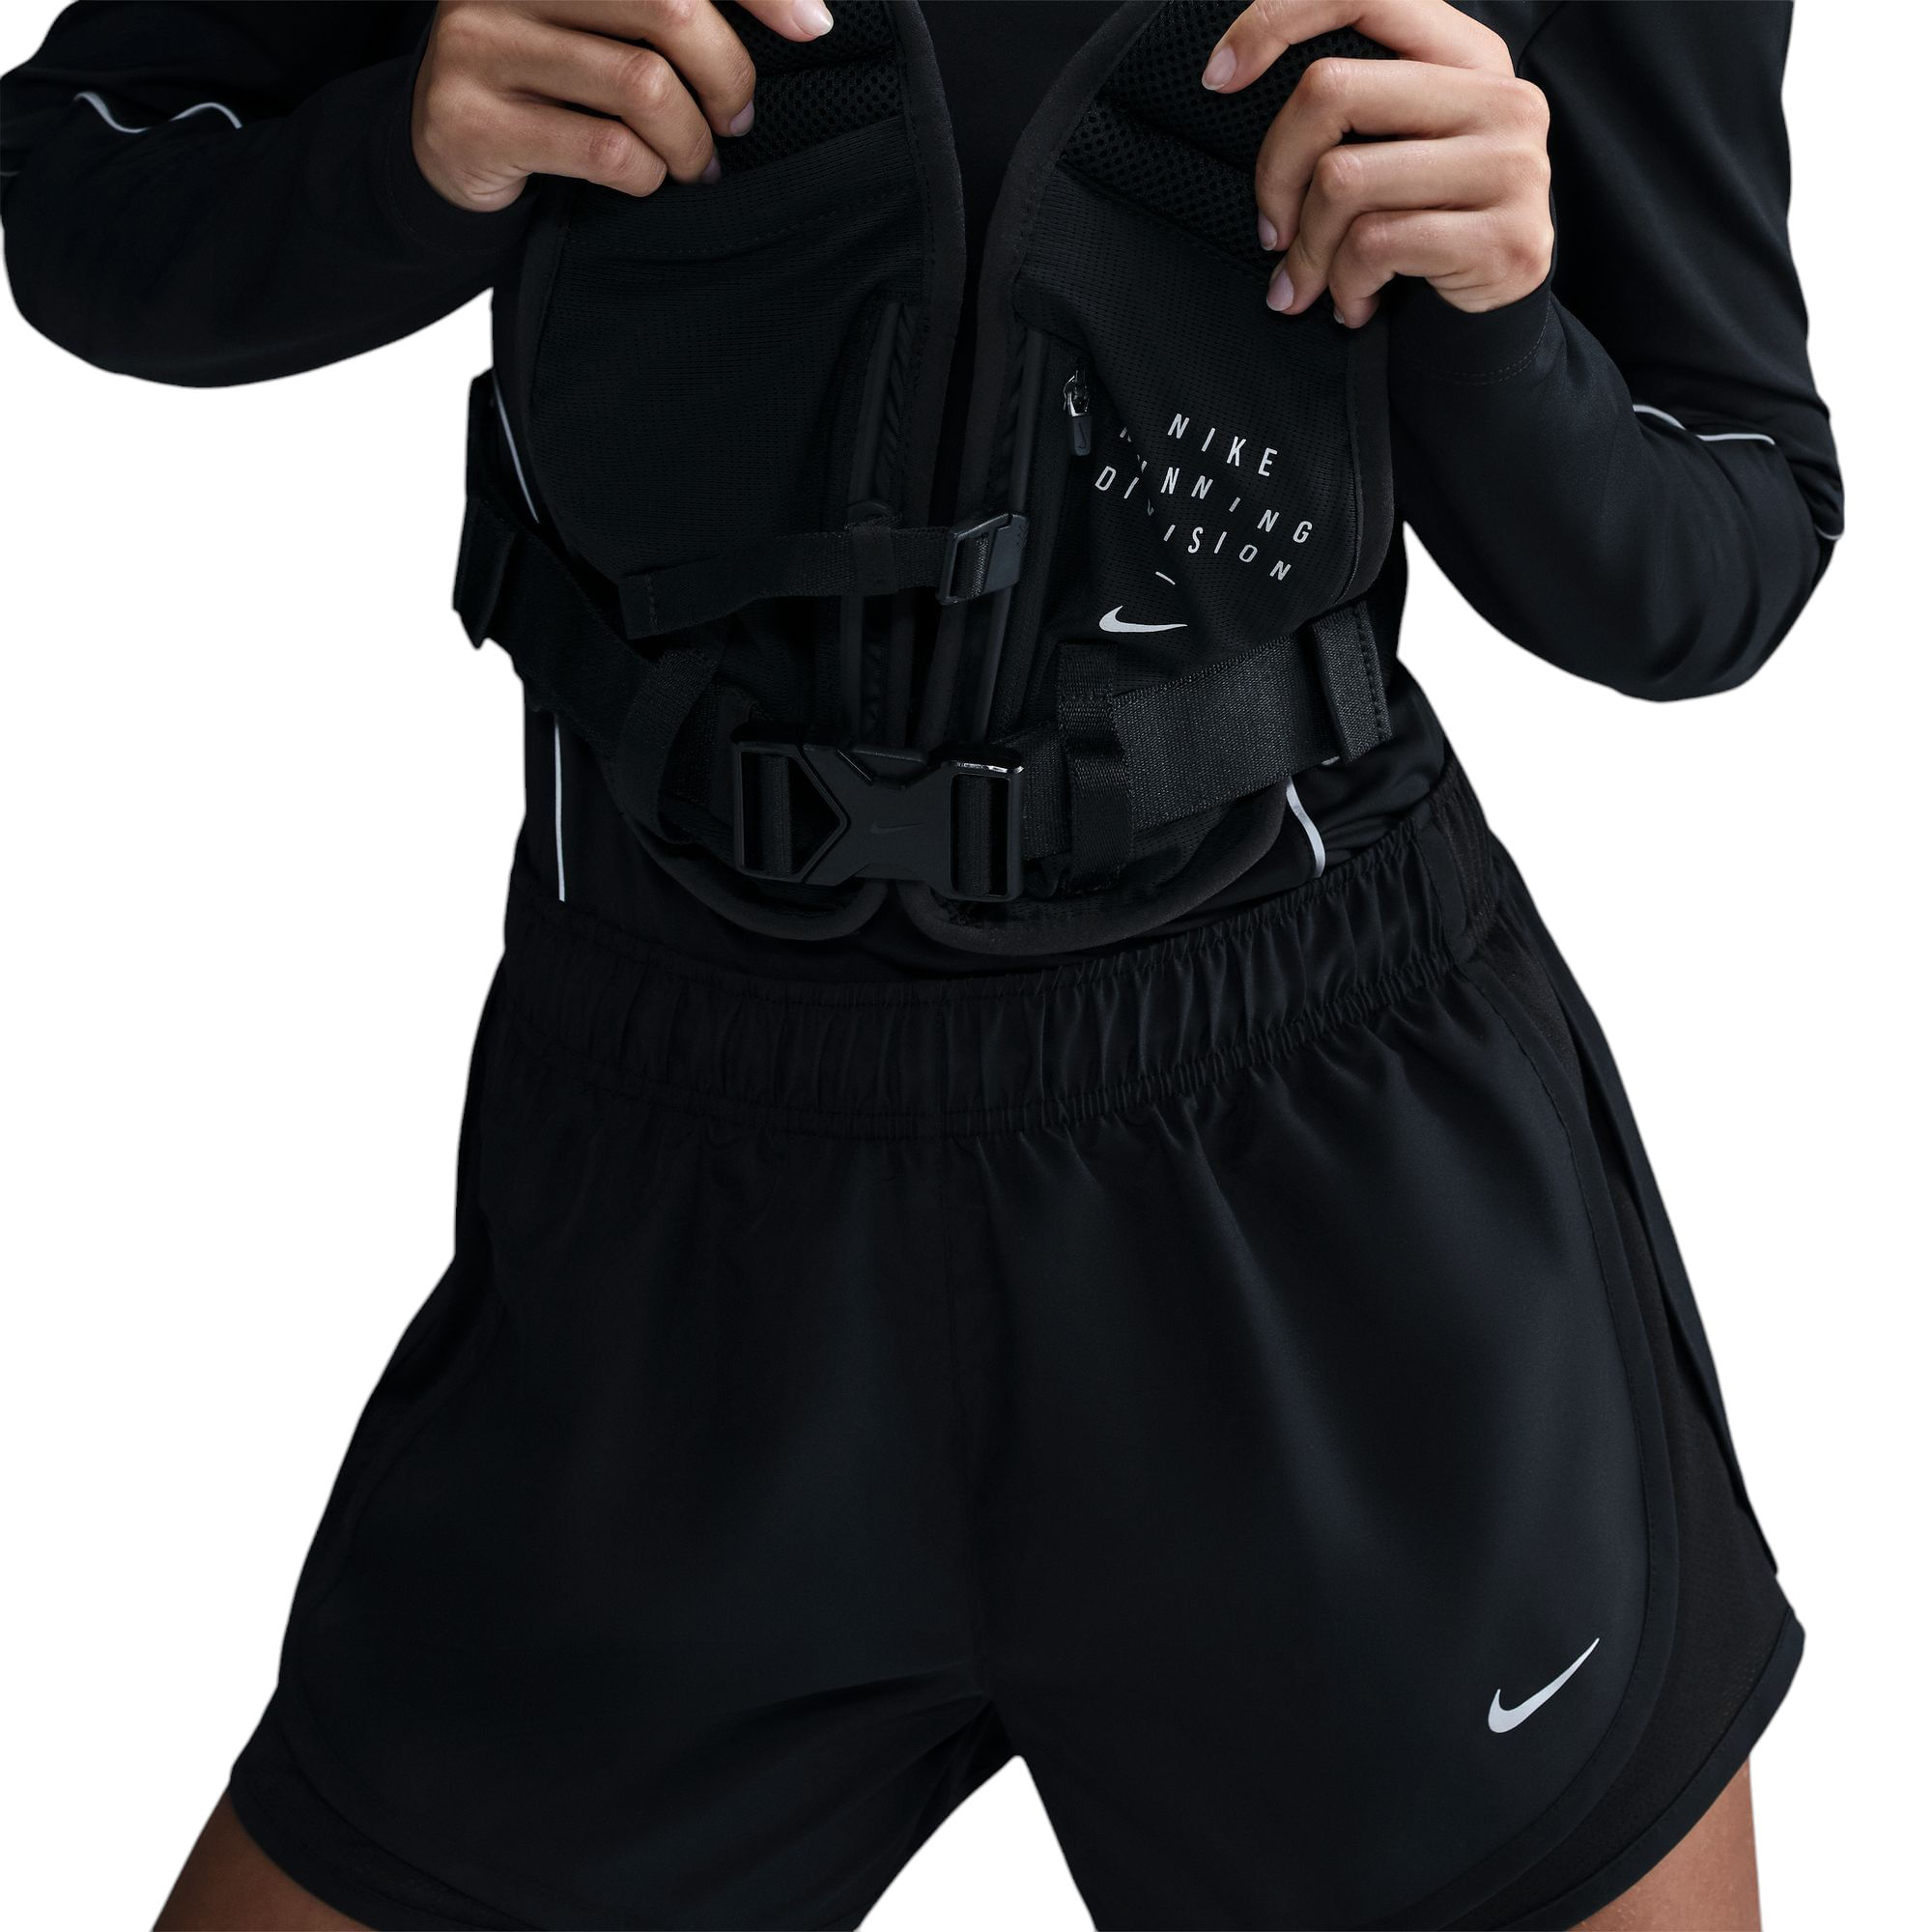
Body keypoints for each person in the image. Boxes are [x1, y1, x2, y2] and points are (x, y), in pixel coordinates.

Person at [1, 1, 1839, 1926]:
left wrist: (1494, 318)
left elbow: (1719, 540)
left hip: (1321, 1231)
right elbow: (83, 173)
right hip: (668, 1247)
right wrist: (408, 154)